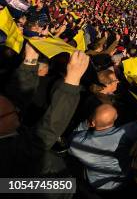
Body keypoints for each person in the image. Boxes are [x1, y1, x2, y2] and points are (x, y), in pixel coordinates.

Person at [0, 46, 90, 177]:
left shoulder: (6, 123)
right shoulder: (8, 155)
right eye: (15, 112)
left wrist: (30, 59)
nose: (18, 112)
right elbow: (45, 134)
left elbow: (16, 97)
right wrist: (72, 80)